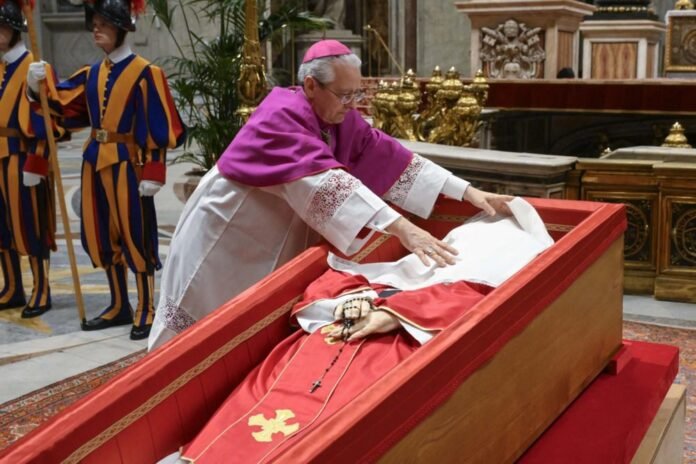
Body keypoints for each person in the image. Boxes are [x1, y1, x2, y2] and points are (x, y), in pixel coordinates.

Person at [148, 39, 513, 350]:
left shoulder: (338, 117)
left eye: (358, 93)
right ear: (311, 86)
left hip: (268, 238)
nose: (353, 104)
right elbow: (325, 183)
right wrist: (404, 229)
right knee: (191, 329)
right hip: (225, 237)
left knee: (243, 328)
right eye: (344, 94)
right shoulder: (280, 116)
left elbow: (391, 157)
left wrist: (467, 191)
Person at [157, 198, 554, 463]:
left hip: (395, 345)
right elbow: (337, 281)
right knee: (270, 392)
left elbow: (473, 310)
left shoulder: (489, 280)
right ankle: (208, 455)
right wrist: (354, 299)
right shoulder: (418, 263)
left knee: (338, 414)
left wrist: (395, 314)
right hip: (332, 335)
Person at [25, 0, 186, 339]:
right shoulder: (92, 73)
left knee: (136, 235)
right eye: (94, 23)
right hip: (94, 162)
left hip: (129, 164)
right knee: (101, 235)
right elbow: (64, 107)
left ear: (121, 27)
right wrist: (35, 86)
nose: (96, 29)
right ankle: (118, 304)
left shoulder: (146, 73)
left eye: (104, 23)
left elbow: (158, 122)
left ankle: (146, 306)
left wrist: (154, 171)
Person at [0, 0, 56, 318]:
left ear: (14, 28)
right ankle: (12, 286)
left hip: (21, 158)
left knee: (31, 225)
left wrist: (36, 163)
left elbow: (49, 122)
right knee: (1, 226)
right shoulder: (1, 67)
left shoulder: (34, 67)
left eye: (2, 27)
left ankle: (41, 288)